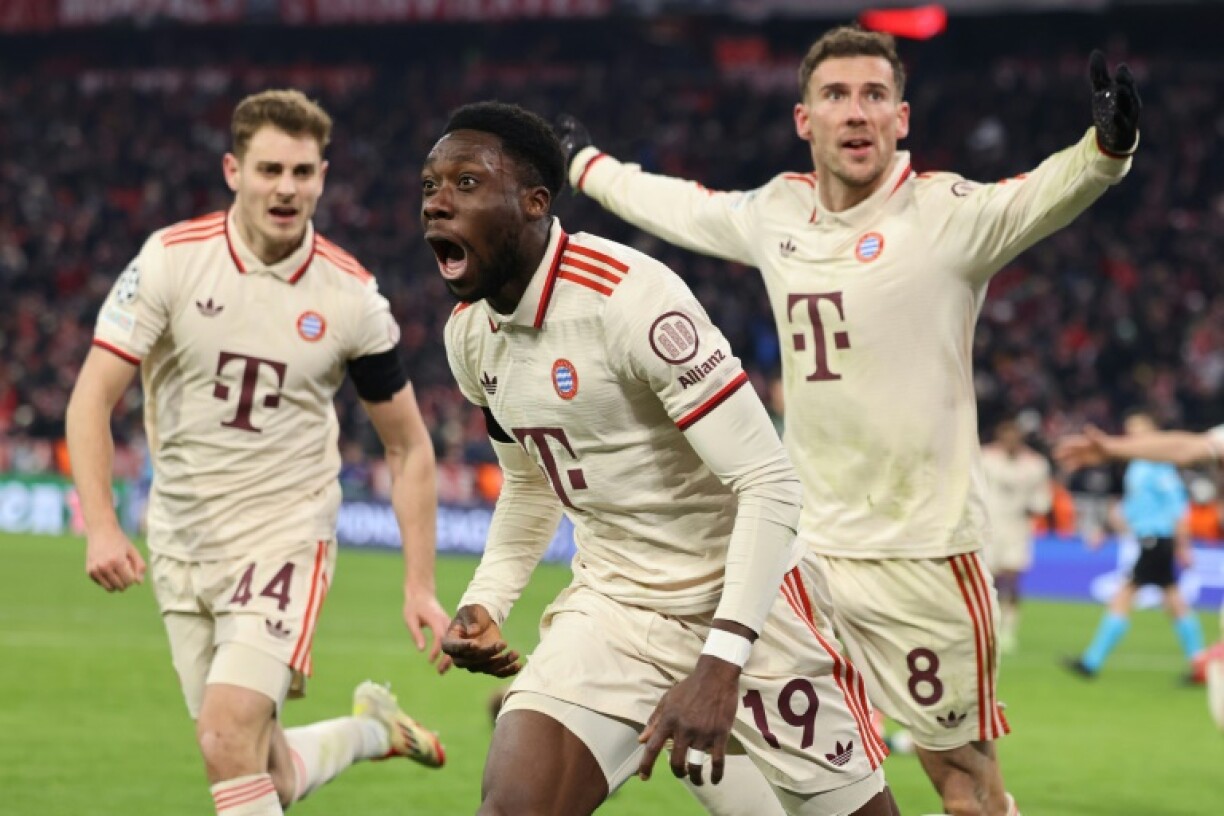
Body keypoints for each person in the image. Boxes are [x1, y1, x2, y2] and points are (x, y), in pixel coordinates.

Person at [556, 23, 1140, 816]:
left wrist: (1107, 148)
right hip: (804, 556)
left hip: (922, 555)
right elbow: (682, 207)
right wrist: (585, 166)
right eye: (836, 95)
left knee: (964, 787)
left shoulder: (946, 216)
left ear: (902, 117)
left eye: (874, 95)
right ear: (805, 119)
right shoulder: (776, 213)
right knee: (755, 753)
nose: (857, 111)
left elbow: (1041, 193)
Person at [429, 100, 896, 816]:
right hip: (613, 609)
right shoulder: (469, 338)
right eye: (430, 185)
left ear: (534, 202)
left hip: (747, 608)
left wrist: (721, 662)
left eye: (466, 184)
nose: (436, 203)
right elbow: (529, 483)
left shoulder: (629, 299)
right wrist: (486, 600)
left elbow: (768, 482)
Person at [65, 89, 449, 816]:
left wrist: (420, 585)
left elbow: (408, 448)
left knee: (223, 735)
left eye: (302, 172)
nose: (286, 188)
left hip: (284, 535)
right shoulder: (171, 261)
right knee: (263, 771)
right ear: (233, 171)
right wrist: (102, 524)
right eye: (270, 169)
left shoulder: (351, 297)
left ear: (323, 177)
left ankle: (365, 731)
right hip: (181, 537)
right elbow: (90, 399)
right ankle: (372, 732)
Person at [1056, 417, 1223, 721]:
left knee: (1127, 594)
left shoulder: (1158, 468)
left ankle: (1092, 661)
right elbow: (1131, 508)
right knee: (1173, 600)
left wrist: (1183, 545)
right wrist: (1106, 529)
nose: (1133, 437)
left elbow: (1178, 506)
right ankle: (1198, 661)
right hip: (1149, 538)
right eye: (1130, 431)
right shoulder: (1138, 466)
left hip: (1157, 539)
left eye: (1140, 432)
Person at [980, 419, 1053, 654]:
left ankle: (1009, 630)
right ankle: (988, 627)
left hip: (1017, 529)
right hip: (988, 529)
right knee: (989, 580)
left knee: (1012, 579)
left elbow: (1042, 500)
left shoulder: (1035, 464)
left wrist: (1035, 507)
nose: (1011, 441)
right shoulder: (985, 458)